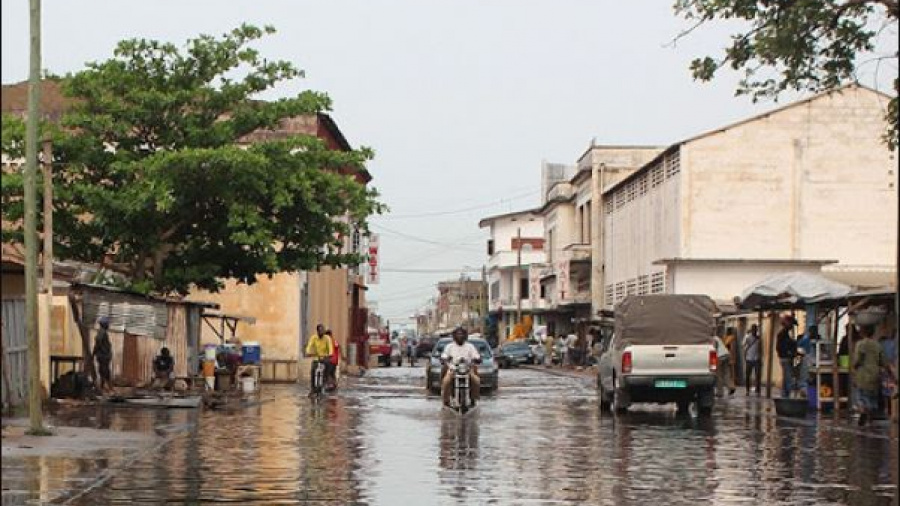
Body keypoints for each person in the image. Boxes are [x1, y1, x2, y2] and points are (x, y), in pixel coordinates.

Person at [853, 325, 892, 426]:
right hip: (874, 374)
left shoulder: (860, 344)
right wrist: (891, 374)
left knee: (860, 397)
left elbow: (857, 360)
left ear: (862, 333)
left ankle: (863, 411)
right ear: (873, 333)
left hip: (862, 374)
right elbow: (883, 362)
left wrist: (854, 367)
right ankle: (870, 419)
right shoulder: (877, 345)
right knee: (871, 398)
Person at [440, 327, 481, 408]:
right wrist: (444, 358)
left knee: (476, 381)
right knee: (446, 382)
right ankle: (446, 401)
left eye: (462, 334)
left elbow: (476, 356)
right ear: (454, 336)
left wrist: (477, 359)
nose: (460, 336)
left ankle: (473, 399)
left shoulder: (470, 346)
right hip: (453, 370)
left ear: (465, 336)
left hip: (467, 369)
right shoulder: (449, 346)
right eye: (458, 334)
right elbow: (444, 355)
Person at [305, 324, 334, 396]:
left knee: (328, 364)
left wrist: (330, 354)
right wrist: (308, 352)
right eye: (320, 331)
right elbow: (309, 346)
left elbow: (330, 348)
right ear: (317, 331)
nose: (322, 332)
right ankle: (312, 388)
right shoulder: (313, 338)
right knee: (313, 369)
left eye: (323, 330)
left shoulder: (327, 338)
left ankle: (326, 380)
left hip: (325, 357)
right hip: (316, 357)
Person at [776, 315, 798, 398]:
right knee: (788, 378)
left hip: (786, 358)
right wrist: (790, 351)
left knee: (786, 378)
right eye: (791, 324)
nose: (792, 326)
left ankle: (785, 396)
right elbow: (780, 347)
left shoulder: (785, 334)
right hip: (785, 358)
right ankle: (787, 397)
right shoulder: (782, 334)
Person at [92, 316, 113, 393]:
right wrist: (93, 354)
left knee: (104, 371)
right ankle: (104, 387)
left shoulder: (102, 332)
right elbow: (98, 343)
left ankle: (104, 387)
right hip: (103, 356)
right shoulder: (102, 332)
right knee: (104, 371)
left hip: (104, 356)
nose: (108, 325)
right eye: (107, 324)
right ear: (104, 324)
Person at [743, 324, 762, 396]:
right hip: (749, 358)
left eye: (755, 329)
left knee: (757, 375)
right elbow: (743, 345)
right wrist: (745, 355)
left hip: (756, 359)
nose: (754, 331)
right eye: (753, 329)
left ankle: (757, 390)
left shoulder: (758, 338)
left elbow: (760, 348)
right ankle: (747, 390)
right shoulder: (747, 337)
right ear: (751, 330)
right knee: (748, 375)